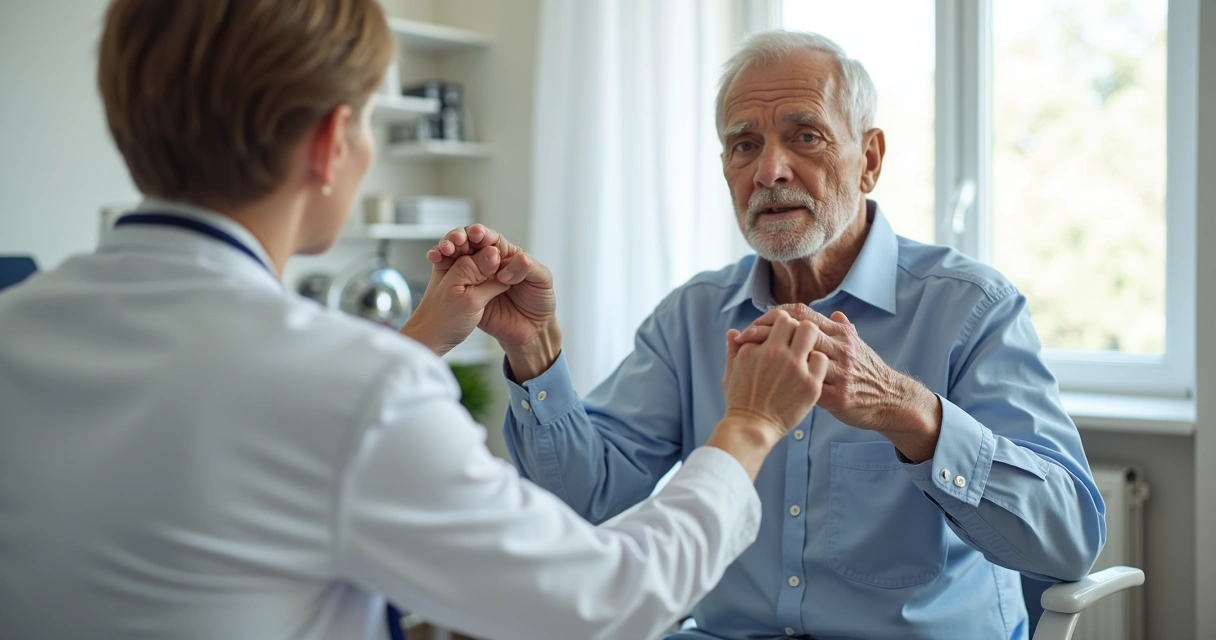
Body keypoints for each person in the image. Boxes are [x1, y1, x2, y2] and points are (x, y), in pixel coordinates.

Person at [0, 3, 832, 639]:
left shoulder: (17, 325)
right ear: (332, 143)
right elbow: (601, 602)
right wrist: (750, 427)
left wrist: (419, 343)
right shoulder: (358, 392)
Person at [427, 30, 1107, 639]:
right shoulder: (691, 317)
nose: (768, 171)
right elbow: (582, 499)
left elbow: (1070, 538)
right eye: (744, 144)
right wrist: (533, 350)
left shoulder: (971, 307)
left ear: (869, 159)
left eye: (805, 135)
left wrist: (906, 410)